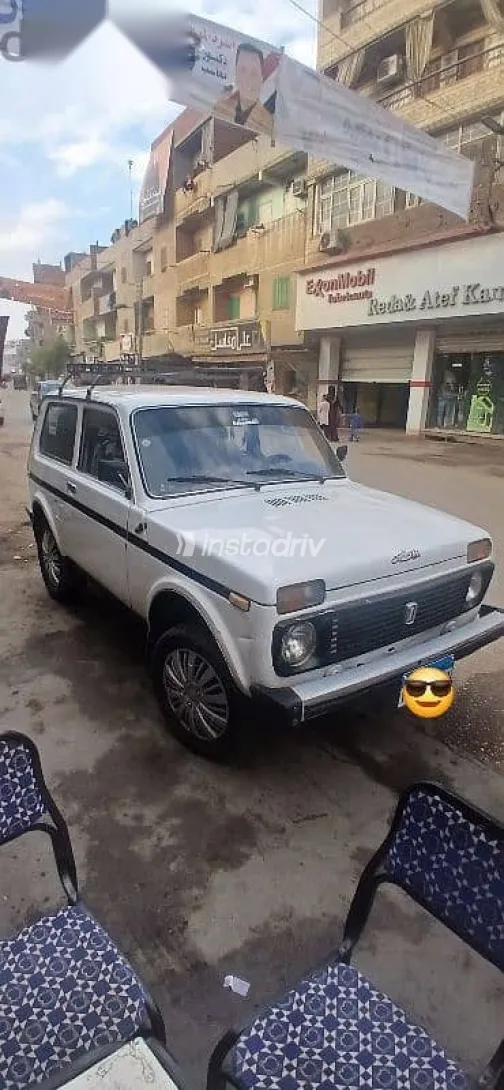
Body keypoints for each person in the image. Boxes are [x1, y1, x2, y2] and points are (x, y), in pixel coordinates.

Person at [215, 43, 275, 136]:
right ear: (236, 74)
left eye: (254, 73)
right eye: (243, 70)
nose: (248, 79)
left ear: (261, 78)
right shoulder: (220, 108)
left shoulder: (269, 123)